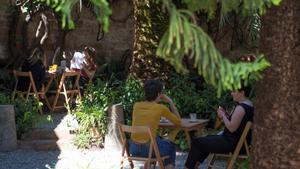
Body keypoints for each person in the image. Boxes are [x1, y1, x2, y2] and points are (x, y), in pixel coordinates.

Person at [185, 84, 254, 169]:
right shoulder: (250, 105)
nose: (231, 93)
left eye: (234, 91)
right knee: (206, 139)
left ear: (242, 92)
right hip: (242, 144)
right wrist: (226, 115)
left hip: (231, 144)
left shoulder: (241, 108)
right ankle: (194, 166)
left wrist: (223, 116)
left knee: (197, 142)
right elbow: (239, 124)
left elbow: (232, 128)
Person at [129, 80, 181, 169]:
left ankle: (147, 166)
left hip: (134, 149)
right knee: (171, 146)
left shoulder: (136, 105)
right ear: (158, 94)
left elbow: (148, 111)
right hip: (150, 150)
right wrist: (170, 102)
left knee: (157, 141)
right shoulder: (160, 108)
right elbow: (178, 122)